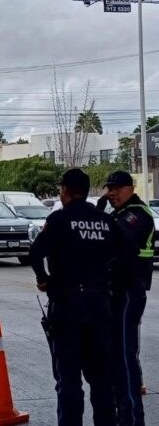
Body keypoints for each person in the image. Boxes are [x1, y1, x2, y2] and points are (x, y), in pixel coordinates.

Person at [29, 168, 129, 426]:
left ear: (64, 191)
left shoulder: (60, 219)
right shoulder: (105, 221)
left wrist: (43, 279)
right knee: (101, 380)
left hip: (67, 306)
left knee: (69, 380)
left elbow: (35, 252)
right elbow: (127, 248)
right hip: (99, 305)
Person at [105, 171, 154, 426]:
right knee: (114, 357)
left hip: (129, 292)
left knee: (125, 356)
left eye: (117, 188)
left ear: (130, 188)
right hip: (115, 293)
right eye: (109, 188)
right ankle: (121, 416)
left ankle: (133, 420)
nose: (111, 193)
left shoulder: (137, 214)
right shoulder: (118, 214)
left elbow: (113, 240)